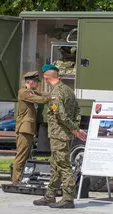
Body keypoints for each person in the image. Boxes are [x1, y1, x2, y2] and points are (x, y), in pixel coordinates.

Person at [33, 64, 86, 209]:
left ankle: (68, 198)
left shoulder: (56, 93)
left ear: (46, 77)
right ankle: (50, 196)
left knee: (63, 166)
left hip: (59, 135)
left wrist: (74, 129)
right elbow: (77, 110)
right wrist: (74, 127)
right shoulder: (68, 90)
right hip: (64, 134)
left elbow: (60, 115)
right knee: (55, 165)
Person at [12, 71, 50, 185]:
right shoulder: (24, 92)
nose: (37, 84)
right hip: (24, 129)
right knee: (21, 155)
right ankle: (16, 180)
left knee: (26, 155)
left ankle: (21, 178)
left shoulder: (30, 91)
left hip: (28, 129)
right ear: (31, 82)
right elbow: (41, 99)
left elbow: (41, 95)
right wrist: (49, 98)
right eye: (36, 82)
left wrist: (51, 95)